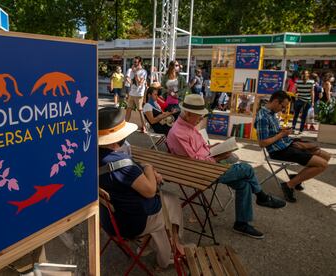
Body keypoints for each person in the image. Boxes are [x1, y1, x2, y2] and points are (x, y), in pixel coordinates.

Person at [167, 94, 286, 239]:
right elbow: (196, 163)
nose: (201, 119)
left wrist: (214, 149)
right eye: (199, 115)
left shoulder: (187, 125)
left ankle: (241, 223)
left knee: (243, 184)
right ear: (189, 113)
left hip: (206, 166)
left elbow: (199, 152)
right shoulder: (179, 132)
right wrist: (217, 157)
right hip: (200, 173)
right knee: (247, 169)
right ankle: (261, 197)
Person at [98, 107, 184, 268]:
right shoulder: (122, 165)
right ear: (118, 137)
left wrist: (144, 170)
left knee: (165, 200)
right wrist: (149, 168)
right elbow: (150, 191)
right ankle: (171, 252)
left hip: (110, 221)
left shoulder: (94, 156)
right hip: (131, 223)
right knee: (172, 200)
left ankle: (149, 245)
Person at [254, 90, 331, 202]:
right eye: (283, 106)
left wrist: (282, 131)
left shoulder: (271, 113)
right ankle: (289, 185)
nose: (283, 109)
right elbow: (262, 143)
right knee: (322, 165)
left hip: (287, 143)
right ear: (275, 101)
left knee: (326, 156)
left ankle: (296, 178)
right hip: (279, 150)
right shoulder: (263, 117)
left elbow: (273, 132)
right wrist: (281, 134)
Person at [125, 56, 148, 132]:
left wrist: (135, 73)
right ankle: (125, 124)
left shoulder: (143, 72)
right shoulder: (130, 70)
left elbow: (140, 83)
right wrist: (130, 82)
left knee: (140, 110)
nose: (133, 63)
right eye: (133, 61)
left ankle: (144, 126)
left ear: (139, 63)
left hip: (139, 94)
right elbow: (127, 78)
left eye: (135, 62)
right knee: (128, 109)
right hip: (132, 93)